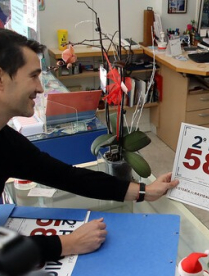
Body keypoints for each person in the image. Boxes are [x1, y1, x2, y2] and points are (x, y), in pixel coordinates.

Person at [0, 28, 179, 263]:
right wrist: (66, 244)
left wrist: (145, 192)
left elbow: (66, 176)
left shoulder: (6, 140)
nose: (40, 88)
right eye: (33, 76)